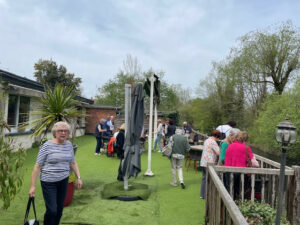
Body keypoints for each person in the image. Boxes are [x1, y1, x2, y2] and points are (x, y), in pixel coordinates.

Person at [29, 121, 82, 225]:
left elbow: (72, 162)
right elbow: (37, 166)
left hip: (63, 180)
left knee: (59, 210)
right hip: (48, 182)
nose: (63, 133)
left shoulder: (69, 145)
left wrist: (78, 177)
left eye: (65, 131)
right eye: (60, 131)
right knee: (52, 210)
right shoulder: (46, 146)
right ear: (55, 132)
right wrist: (32, 186)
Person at [224, 131, 257, 199]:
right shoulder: (246, 148)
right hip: (241, 173)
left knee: (230, 192)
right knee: (241, 192)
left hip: (229, 172)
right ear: (246, 139)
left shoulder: (230, 146)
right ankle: (240, 207)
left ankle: (228, 207)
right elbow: (254, 163)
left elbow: (226, 159)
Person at [200, 130, 221, 199]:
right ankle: (206, 195)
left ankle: (202, 194)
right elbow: (218, 153)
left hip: (203, 161)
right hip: (209, 162)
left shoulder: (207, 140)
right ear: (217, 136)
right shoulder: (213, 142)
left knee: (204, 178)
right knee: (208, 179)